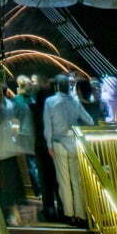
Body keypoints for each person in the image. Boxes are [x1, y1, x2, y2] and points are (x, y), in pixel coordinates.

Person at [43, 73, 94, 225]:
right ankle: (81, 214)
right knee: (76, 181)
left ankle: (69, 214)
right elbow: (89, 121)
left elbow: (47, 126)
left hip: (58, 144)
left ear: (57, 86)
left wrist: (49, 145)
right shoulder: (75, 102)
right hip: (74, 143)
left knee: (64, 181)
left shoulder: (50, 101)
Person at [0, 92, 29, 225]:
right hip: (10, 147)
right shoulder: (10, 104)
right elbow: (16, 123)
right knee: (13, 184)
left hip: (0, 149)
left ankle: (9, 216)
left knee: (5, 184)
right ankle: (17, 216)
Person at [31, 75, 60, 220]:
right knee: (57, 179)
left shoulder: (34, 109)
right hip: (54, 146)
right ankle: (62, 207)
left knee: (44, 179)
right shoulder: (55, 107)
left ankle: (48, 209)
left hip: (40, 146)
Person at [11, 75, 38, 199]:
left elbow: (13, 118)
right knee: (33, 164)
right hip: (32, 135)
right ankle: (38, 189)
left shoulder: (17, 100)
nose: (32, 86)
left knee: (31, 164)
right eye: (30, 84)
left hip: (25, 135)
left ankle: (36, 189)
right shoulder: (32, 99)